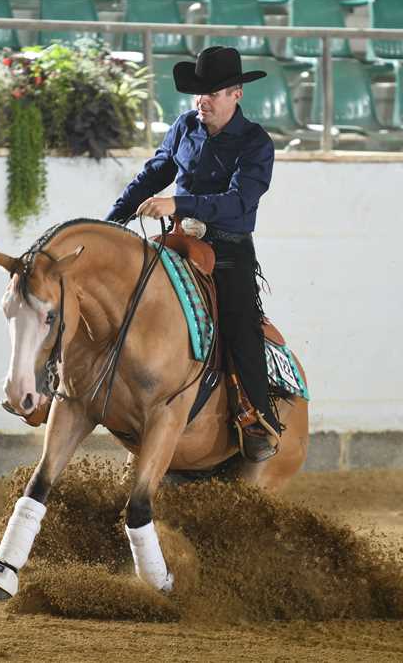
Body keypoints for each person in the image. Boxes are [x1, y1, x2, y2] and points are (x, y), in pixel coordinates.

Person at [104, 46, 279, 462]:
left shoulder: (256, 143)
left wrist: (178, 204)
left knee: (240, 323)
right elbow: (153, 174)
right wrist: (111, 224)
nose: (202, 101)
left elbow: (238, 202)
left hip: (228, 250)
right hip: (178, 241)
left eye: (213, 93)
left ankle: (257, 416)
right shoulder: (184, 126)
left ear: (236, 94)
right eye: (199, 93)